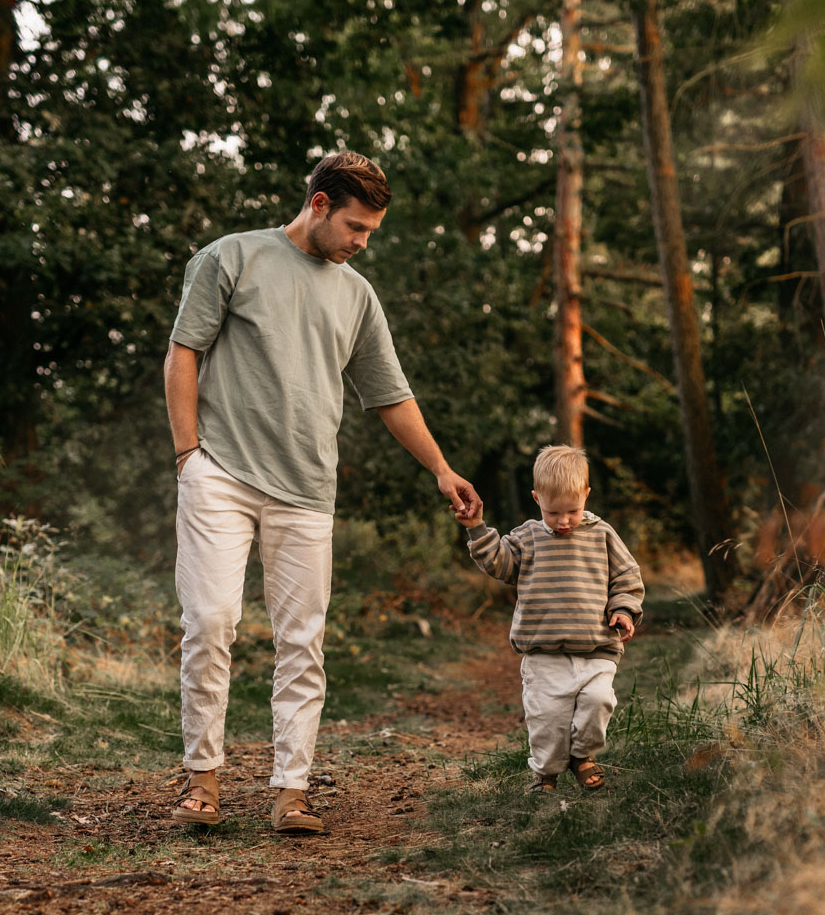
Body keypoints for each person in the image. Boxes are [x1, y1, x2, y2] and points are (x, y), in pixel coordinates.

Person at [164, 151, 479, 833]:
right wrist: (187, 454)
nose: (363, 242)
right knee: (212, 622)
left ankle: (291, 791)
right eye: (357, 227)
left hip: (307, 489)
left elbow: (390, 395)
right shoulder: (231, 258)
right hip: (218, 473)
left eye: (371, 231)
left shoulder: (357, 294)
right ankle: (202, 784)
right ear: (319, 205)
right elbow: (183, 350)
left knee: (302, 641)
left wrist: (441, 468)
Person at [455, 445, 644, 793]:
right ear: (536, 497)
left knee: (598, 701)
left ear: (586, 495)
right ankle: (546, 774)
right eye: (553, 511)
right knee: (548, 719)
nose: (564, 520)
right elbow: (499, 563)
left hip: (597, 647)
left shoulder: (602, 534)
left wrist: (623, 610)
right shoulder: (527, 537)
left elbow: (627, 577)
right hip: (543, 652)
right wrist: (477, 528)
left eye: (573, 510)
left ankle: (583, 756)